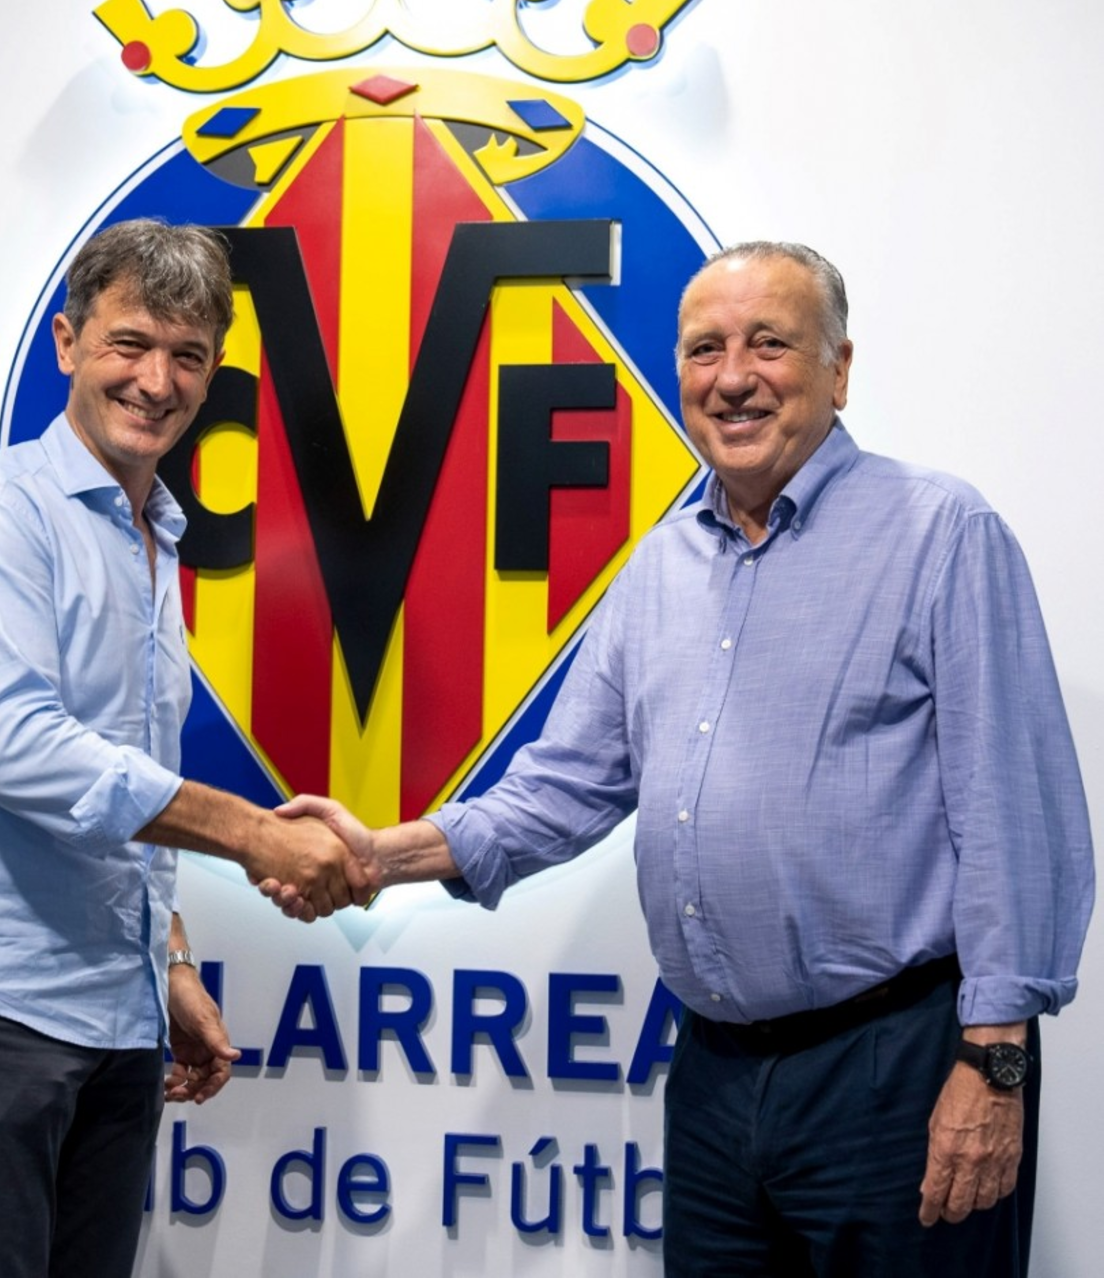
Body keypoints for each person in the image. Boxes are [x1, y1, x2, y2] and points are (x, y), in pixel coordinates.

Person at [272, 242, 1095, 1276]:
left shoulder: (940, 533)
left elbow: (1015, 818)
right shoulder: (659, 565)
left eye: (769, 344)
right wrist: (378, 855)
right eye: (705, 349)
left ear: (838, 370)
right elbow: (564, 785)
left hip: (898, 1072)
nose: (732, 377)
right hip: (713, 1079)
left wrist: (994, 1064)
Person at [0, 218, 364, 1278]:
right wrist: (252, 832)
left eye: (187, 355)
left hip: (113, 1017)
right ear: (67, 343)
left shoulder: (151, 536)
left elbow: (113, 781)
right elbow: (20, 749)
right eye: (129, 342)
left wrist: (165, 961)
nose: (156, 380)